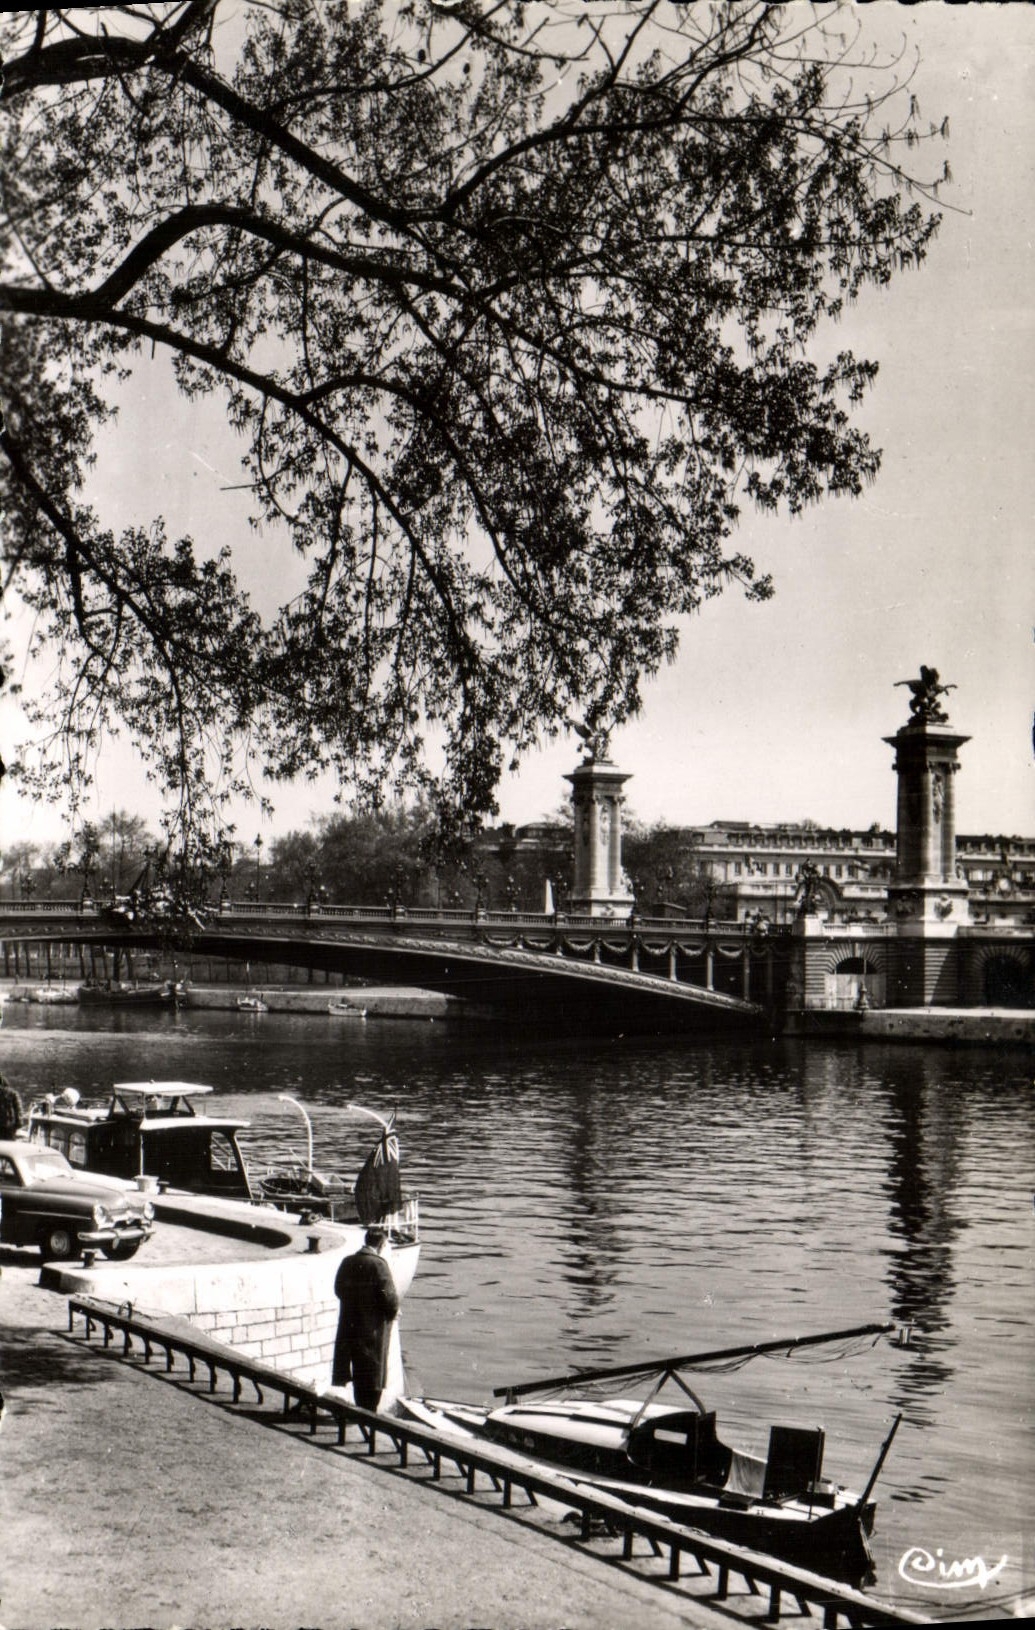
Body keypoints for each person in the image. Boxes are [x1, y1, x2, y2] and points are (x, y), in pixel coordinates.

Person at [331, 1226, 400, 1411]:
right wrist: (392, 1312)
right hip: (372, 1330)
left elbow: (338, 1289)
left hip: (350, 1326)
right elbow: (390, 1298)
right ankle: (369, 1414)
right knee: (373, 1372)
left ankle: (360, 1407)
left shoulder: (348, 1261)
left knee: (357, 1370)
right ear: (382, 1244)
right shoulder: (379, 1265)